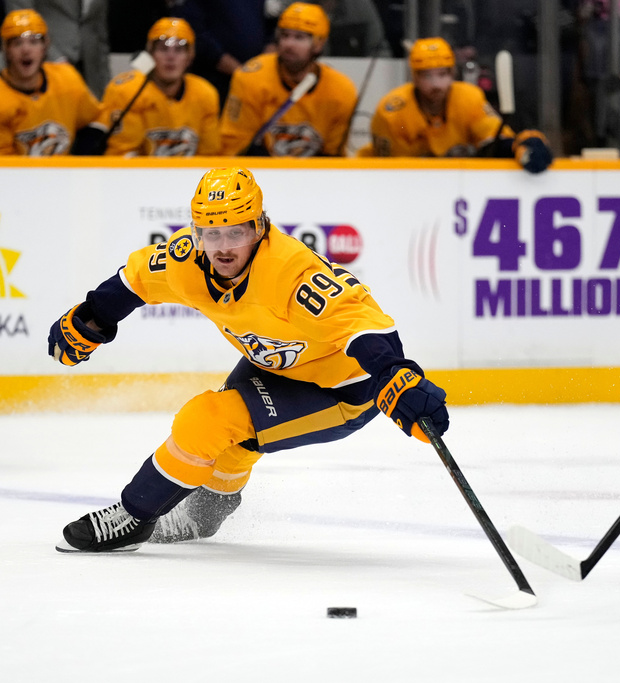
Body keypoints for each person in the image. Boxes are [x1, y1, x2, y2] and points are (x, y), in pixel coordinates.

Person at [51, 167, 450, 552]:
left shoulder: (291, 273)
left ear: (259, 227)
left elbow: (360, 324)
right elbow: (135, 280)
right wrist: (92, 318)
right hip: (277, 362)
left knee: (207, 419)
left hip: (344, 389)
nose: (223, 246)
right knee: (232, 436)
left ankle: (133, 517)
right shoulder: (186, 260)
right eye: (210, 233)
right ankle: (209, 510)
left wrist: (394, 375)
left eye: (236, 232)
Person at [360, 36, 552, 174]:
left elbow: (494, 139)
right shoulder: (392, 112)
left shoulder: (469, 98)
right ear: (414, 77)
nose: (436, 85)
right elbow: (393, 173)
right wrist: (443, 162)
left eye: (443, 74)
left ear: (452, 75)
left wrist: (521, 145)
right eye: (427, 76)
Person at [219, 2, 357, 156]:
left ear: (319, 44)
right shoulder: (251, 78)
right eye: (285, 36)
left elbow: (333, 156)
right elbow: (233, 146)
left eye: (299, 37)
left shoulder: (341, 90)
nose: (289, 44)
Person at [90, 17, 220, 156]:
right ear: (150, 55)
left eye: (179, 50)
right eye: (163, 49)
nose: (171, 57)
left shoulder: (205, 94)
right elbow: (123, 155)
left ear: (189, 58)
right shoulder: (127, 91)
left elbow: (210, 156)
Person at [0, 8, 101, 155]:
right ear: (6, 50)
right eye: (17, 43)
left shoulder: (67, 79)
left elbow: (97, 117)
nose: (26, 50)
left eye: (34, 42)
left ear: (45, 46)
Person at [6, 0, 110, 97]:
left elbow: (99, 29)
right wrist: (56, 59)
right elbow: (19, 15)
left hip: (91, 72)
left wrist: (105, 83)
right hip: (44, 67)